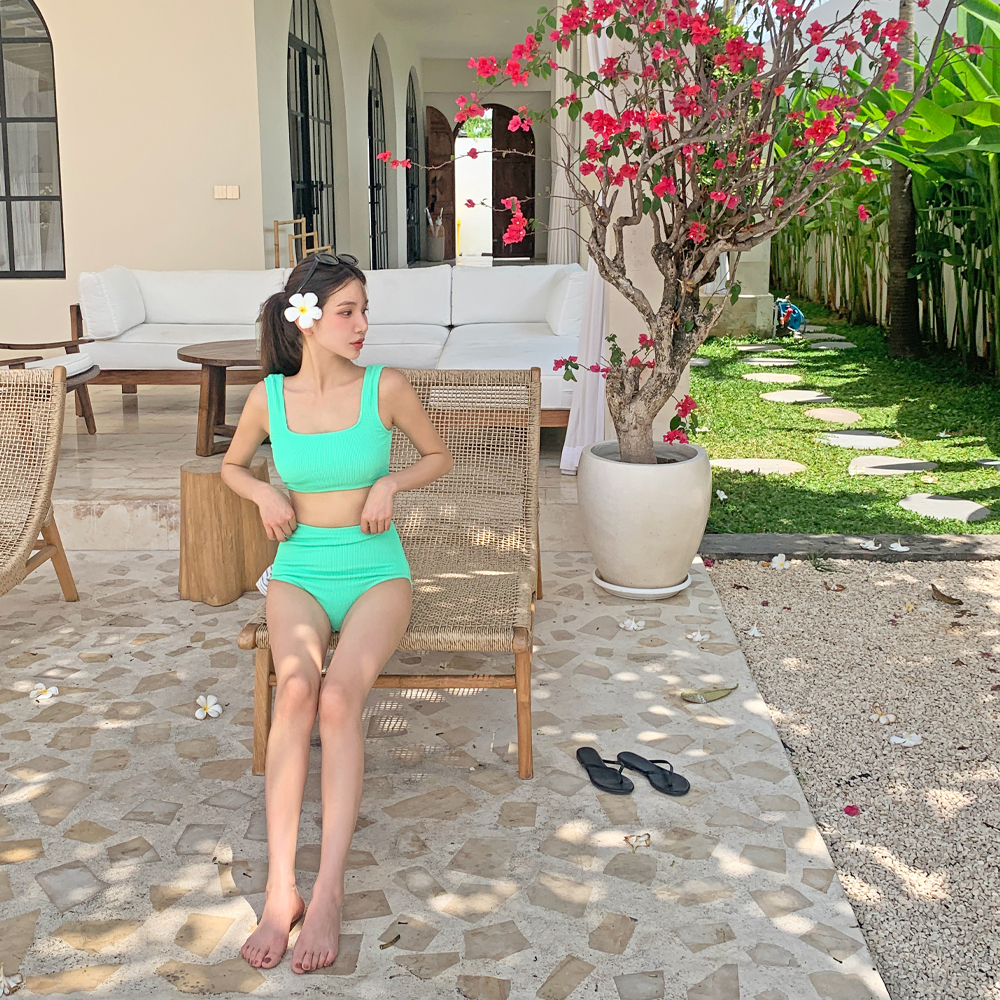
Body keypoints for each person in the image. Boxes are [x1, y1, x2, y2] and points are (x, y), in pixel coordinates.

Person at [221, 253, 453, 974]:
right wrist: (263, 492)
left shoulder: (386, 387)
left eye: (363, 310)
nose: (361, 325)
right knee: (295, 689)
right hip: (300, 568)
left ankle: (327, 890)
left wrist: (391, 483)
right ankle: (280, 889)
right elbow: (230, 466)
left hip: (377, 569)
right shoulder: (269, 398)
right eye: (347, 311)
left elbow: (438, 455)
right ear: (306, 319)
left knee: (338, 698)